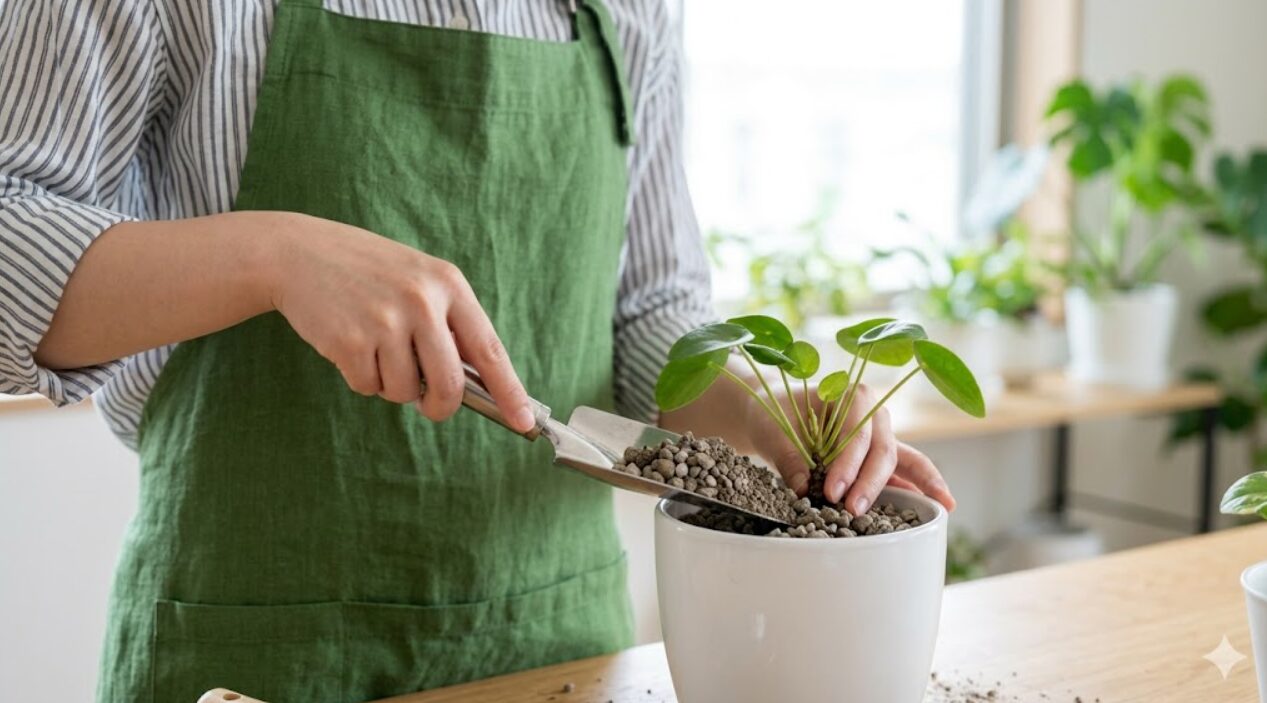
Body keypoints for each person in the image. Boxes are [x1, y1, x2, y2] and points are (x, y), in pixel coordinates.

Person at [0, 1, 956, 700]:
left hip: (562, 651)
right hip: (259, 650)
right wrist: (273, 254)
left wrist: (761, 412)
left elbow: (648, 308)